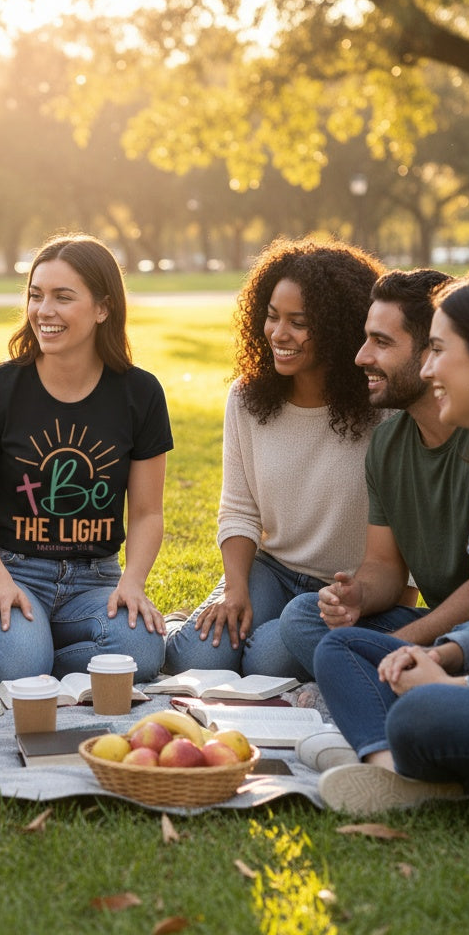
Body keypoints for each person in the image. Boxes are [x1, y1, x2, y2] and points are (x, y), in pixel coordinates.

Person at [315, 269, 469, 814]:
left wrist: (460, 688)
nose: (428, 369)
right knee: (341, 647)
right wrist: (444, 652)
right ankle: (397, 776)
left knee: (422, 713)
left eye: (437, 350)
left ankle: (411, 753)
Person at [0, 233, 172, 689]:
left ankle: (34, 652)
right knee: (18, 660)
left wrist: (131, 583)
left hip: (95, 580)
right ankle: (11, 653)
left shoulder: (141, 394)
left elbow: (148, 513)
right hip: (9, 570)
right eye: (35, 295)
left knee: (143, 651)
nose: (42, 311)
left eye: (62, 297)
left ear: (103, 308)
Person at [165, 238, 383, 680]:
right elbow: (240, 508)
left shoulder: (383, 410)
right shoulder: (247, 397)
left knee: (265, 661)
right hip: (272, 569)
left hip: (343, 588)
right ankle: (185, 625)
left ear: (340, 328)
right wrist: (236, 587)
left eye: (298, 322)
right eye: (272, 316)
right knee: (196, 659)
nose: (279, 334)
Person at [280, 270, 469, 713]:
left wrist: (402, 642)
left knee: (348, 653)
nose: (360, 357)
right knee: (302, 615)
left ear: (434, 351)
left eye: (382, 342)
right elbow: (384, 566)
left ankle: (389, 687)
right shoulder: (389, 445)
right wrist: (357, 597)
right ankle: (401, 682)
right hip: (441, 630)